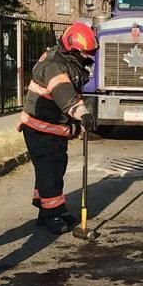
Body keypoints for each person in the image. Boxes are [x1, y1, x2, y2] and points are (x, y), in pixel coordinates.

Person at [19, 22, 99, 234]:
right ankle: (52, 215)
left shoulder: (65, 60)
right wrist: (83, 114)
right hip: (41, 129)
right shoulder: (54, 66)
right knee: (50, 173)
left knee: (51, 171)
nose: (88, 58)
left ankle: (45, 211)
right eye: (85, 53)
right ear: (73, 49)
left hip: (50, 128)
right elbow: (64, 94)